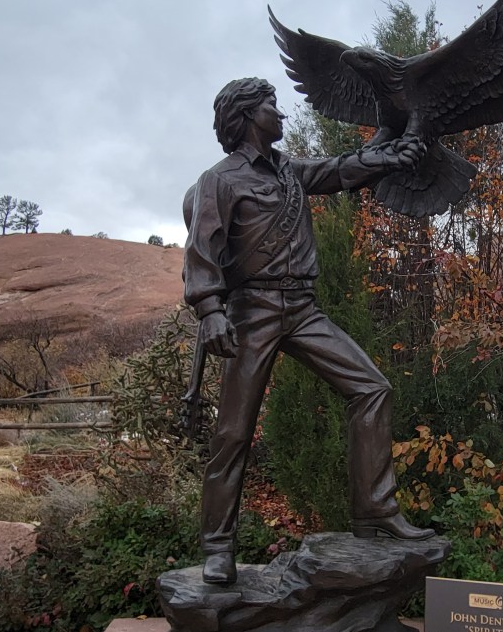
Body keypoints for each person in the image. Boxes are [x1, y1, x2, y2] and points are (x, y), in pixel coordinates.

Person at [184, 77, 435, 585]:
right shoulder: (220, 180)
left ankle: (374, 512)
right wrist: (210, 310)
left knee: (371, 388)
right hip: (251, 312)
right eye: (272, 105)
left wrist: (390, 157)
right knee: (233, 432)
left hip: (302, 309)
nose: (281, 114)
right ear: (247, 116)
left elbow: (341, 169)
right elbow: (201, 249)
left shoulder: (290, 171)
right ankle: (218, 546)